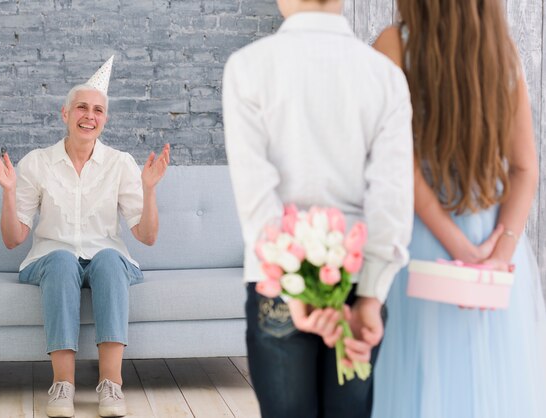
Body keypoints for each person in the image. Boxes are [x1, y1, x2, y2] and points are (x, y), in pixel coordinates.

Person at [223, 0, 414, 416]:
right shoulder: (385, 77)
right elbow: (391, 201)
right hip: (359, 283)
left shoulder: (247, 67)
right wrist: (369, 297)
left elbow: (258, 200)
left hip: (277, 287)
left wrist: (295, 286)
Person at [371, 1, 546, 417]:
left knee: (414, 389)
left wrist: (457, 247)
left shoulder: (393, 45)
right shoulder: (501, 50)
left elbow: (401, 167)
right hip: (493, 251)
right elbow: (525, 169)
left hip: (422, 245)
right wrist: (497, 256)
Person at [0, 56, 170, 418]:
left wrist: (149, 190)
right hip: (50, 262)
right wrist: (8, 192)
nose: (90, 115)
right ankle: (63, 385)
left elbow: (146, 237)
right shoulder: (37, 163)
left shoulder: (120, 164)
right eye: (82, 108)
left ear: (105, 119)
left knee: (107, 258)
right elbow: (13, 239)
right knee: (60, 258)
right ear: (65, 114)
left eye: (98, 110)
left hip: (108, 263)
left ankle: (111, 385)